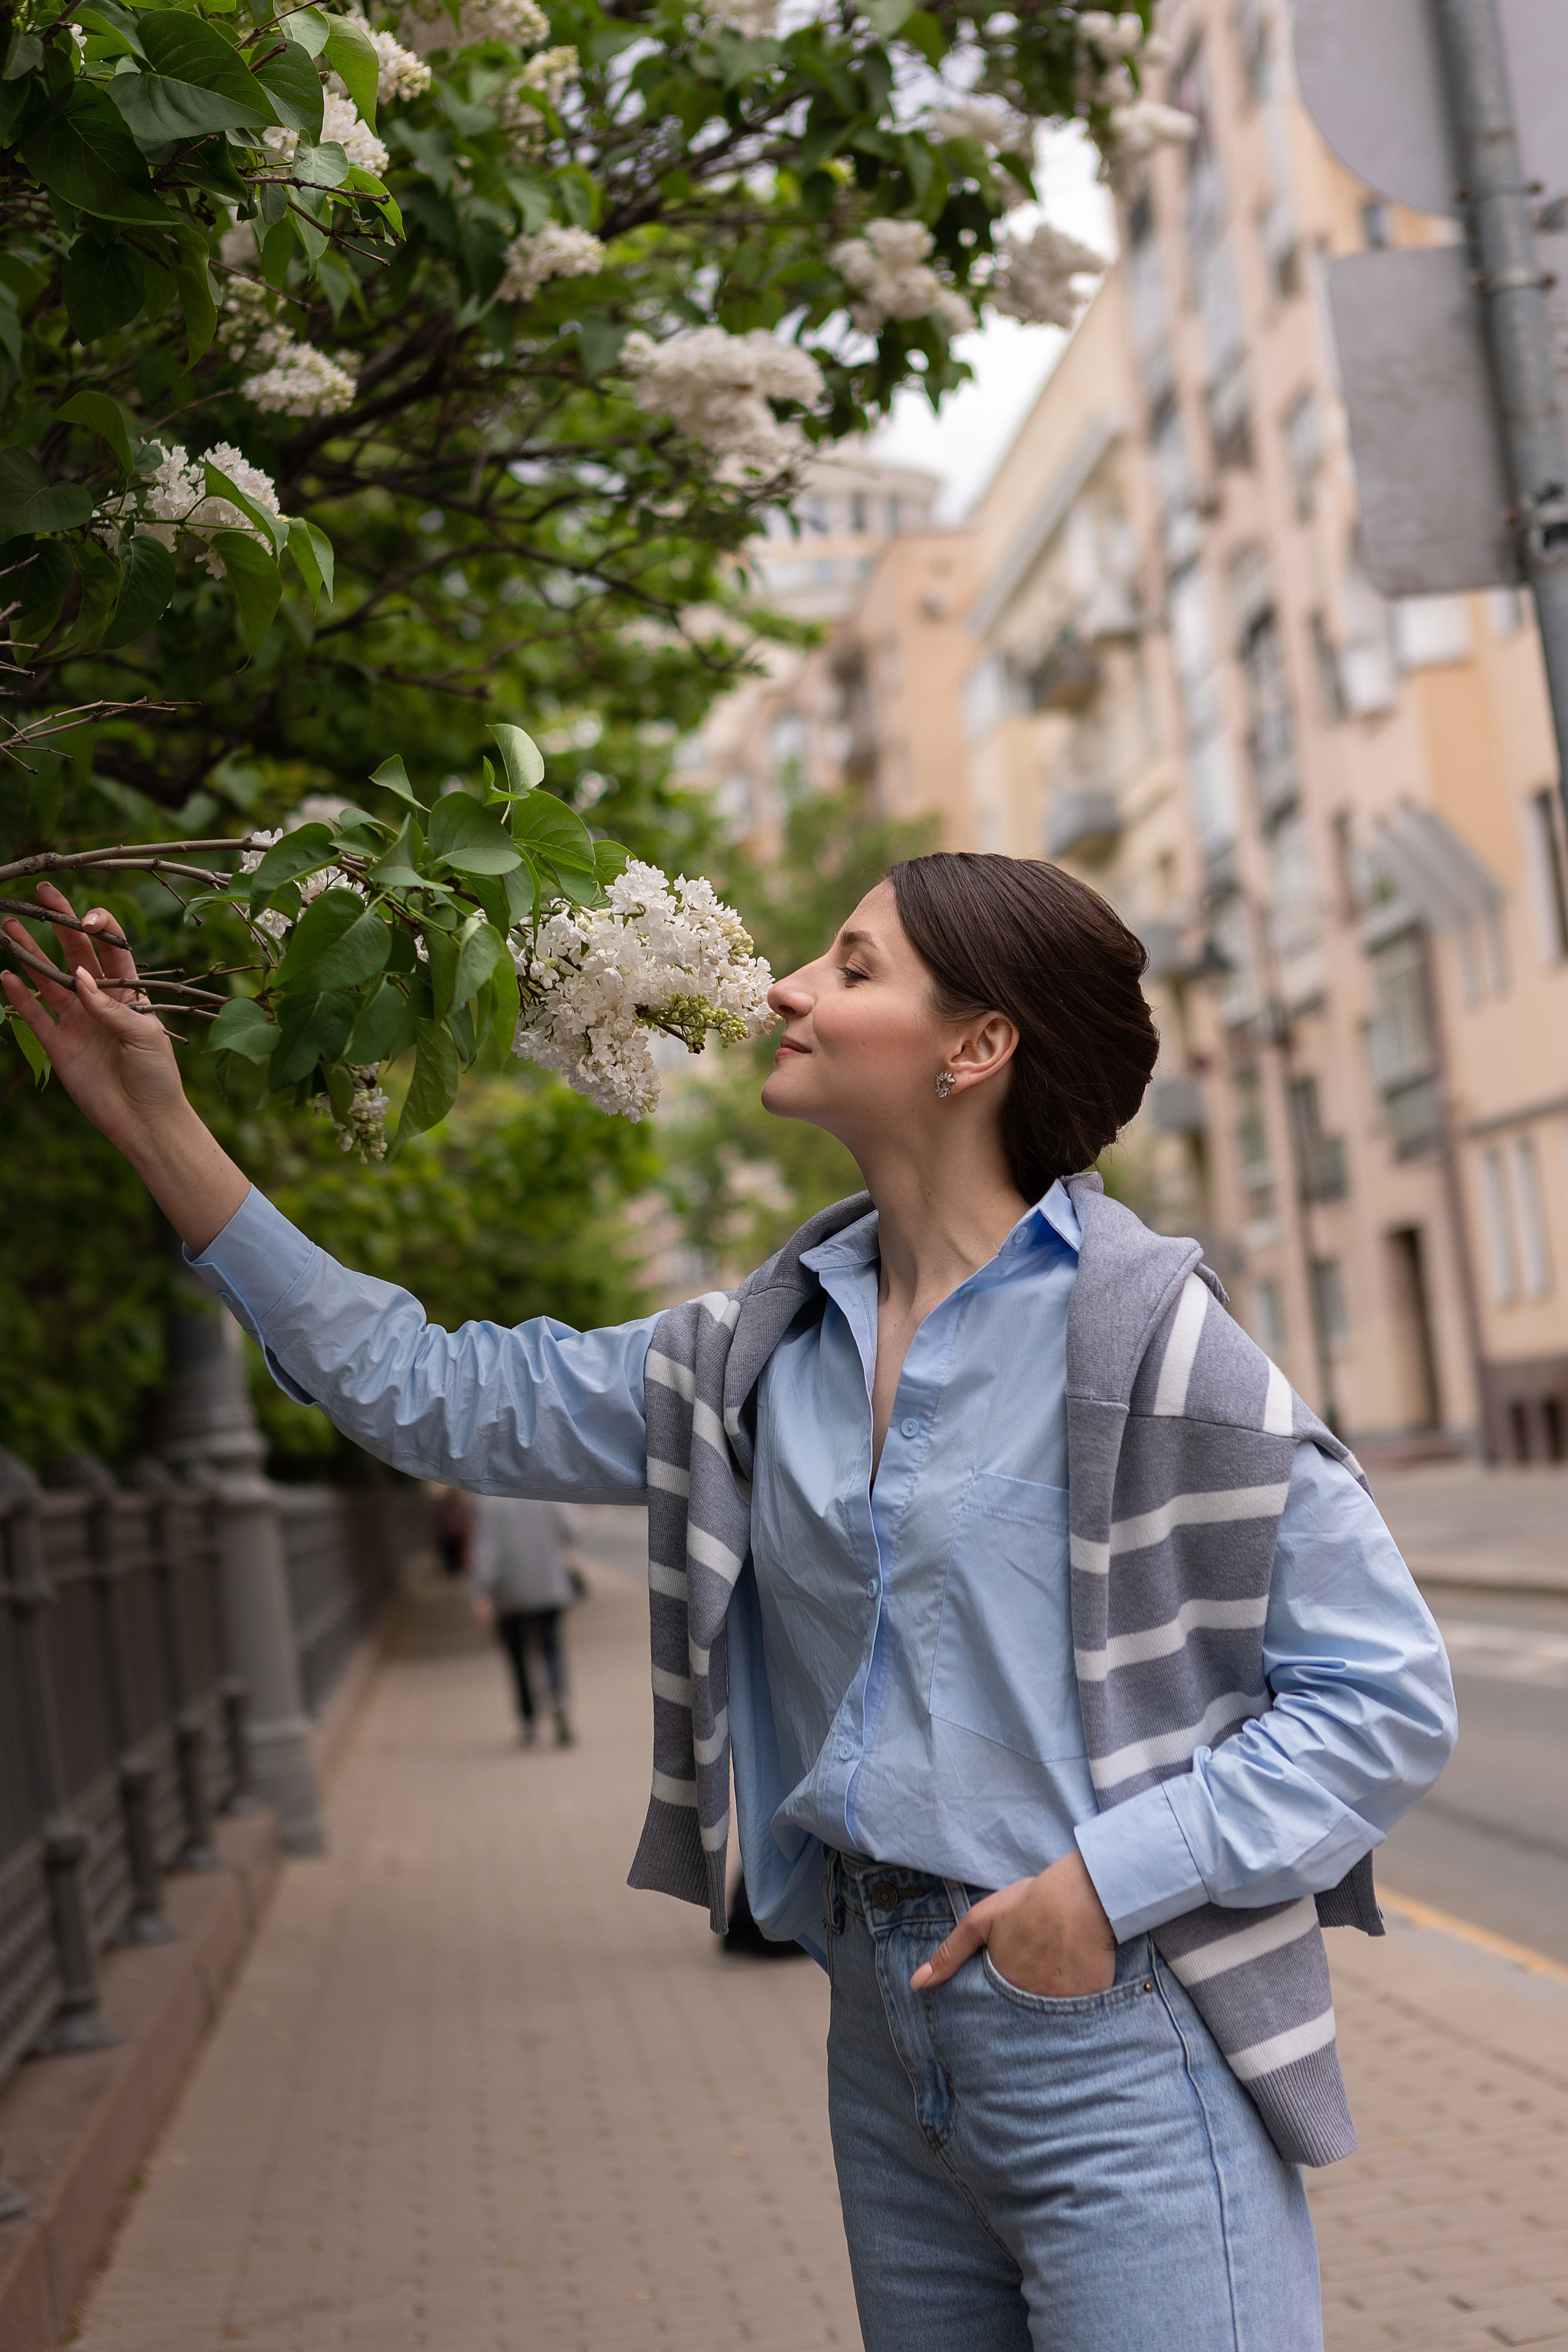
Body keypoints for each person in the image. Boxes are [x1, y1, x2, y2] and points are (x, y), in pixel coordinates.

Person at [4, 858, 1456, 2352]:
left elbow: (1381, 1695)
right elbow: (427, 1388)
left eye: (852, 966)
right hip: (883, 2037)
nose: (785, 988)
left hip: (1114, 2032)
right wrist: (154, 1118)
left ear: (975, 1046)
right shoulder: (753, 1356)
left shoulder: (1145, 1343)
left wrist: (1094, 1889)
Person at [467, 1492, 576, 1746]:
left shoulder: (491, 1499)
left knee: (518, 1658)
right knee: (551, 1649)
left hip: (510, 1593)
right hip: (548, 1585)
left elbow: (488, 1549)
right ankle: (557, 1698)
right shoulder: (546, 1489)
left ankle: (529, 1720)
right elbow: (572, 1530)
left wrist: (480, 1590)